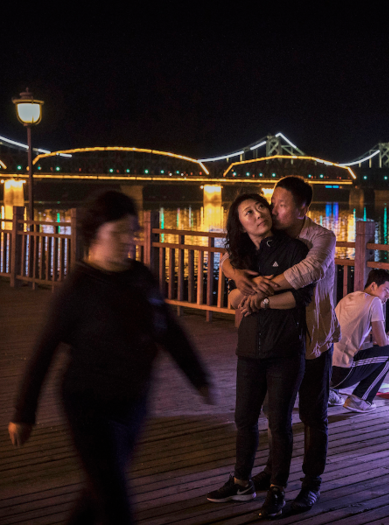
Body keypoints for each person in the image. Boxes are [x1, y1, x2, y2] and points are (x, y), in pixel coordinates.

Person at [8, 190, 214, 525]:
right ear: (95, 234)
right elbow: (44, 349)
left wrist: (198, 377)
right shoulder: (78, 288)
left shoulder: (140, 276)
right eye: (117, 233)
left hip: (134, 402)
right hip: (88, 405)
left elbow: (169, 330)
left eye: (132, 231)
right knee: (116, 503)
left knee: (98, 491)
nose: (128, 240)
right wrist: (24, 412)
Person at [220, 176, 340, 511]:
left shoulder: (321, 237)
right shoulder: (270, 236)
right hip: (278, 341)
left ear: (303, 209)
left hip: (313, 338)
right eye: (271, 202)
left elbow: (309, 271)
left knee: (314, 415)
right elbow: (230, 252)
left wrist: (259, 289)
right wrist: (234, 273)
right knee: (278, 414)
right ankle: (273, 473)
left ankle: (311, 483)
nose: (272, 209)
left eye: (280, 204)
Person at [206, 193, 314, 518]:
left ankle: (277, 489)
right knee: (244, 419)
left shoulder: (294, 249)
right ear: (239, 223)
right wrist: (248, 289)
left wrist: (261, 300)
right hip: (249, 349)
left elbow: (301, 297)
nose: (257, 215)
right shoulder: (239, 258)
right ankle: (241, 482)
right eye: (247, 213)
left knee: (279, 423)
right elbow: (231, 299)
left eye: (260, 208)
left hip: (284, 350)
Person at [330, 269, 389, 412]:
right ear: (373, 285)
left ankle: (330, 394)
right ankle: (360, 399)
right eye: (386, 290)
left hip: (323, 371)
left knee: (342, 348)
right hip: (340, 375)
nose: (388, 296)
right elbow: (383, 344)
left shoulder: (348, 298)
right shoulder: (374, 301)